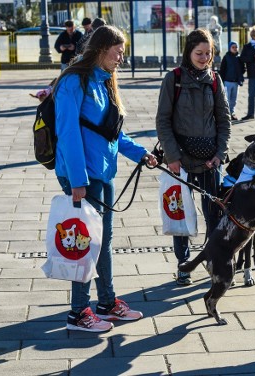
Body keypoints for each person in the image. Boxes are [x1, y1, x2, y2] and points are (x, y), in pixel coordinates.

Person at [53, 25, 158, 332]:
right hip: (82, 176)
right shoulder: (73, 81)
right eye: (118, 50)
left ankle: (107, 303)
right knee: (86, 244)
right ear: (101, 49)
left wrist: (140, 153)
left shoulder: (104, 81)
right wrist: (77, 181)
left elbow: (112, 132)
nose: (121, 57)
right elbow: (68, 134)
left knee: (104, 243)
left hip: (103, 172)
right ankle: (78, 313)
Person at [155, 29, 231, 285]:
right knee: (181, 215)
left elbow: (224, 120)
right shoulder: (173, 79)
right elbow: (163, 121)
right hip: (181, 161)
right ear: (188, 52)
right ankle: (183, 263)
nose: (204, 57)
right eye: (199, 53)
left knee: (214, 216)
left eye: (208, 53)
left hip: (210, 161)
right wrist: (172, 157)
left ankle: (211, 258)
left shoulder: (214, 80)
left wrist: (220, 154)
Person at [219, 41, 245, 121]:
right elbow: (222, 70)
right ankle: (226, 114)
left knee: (233, 99)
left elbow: (243, 68)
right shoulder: (226, 57)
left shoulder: (239, 57)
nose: (235, 49)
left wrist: (240, 75)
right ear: (229, 48)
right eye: (233, 47)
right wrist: (222, 81)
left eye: (236, 47)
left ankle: (232, 113)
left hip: (236, 82)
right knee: (226, 98)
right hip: (227, 81)